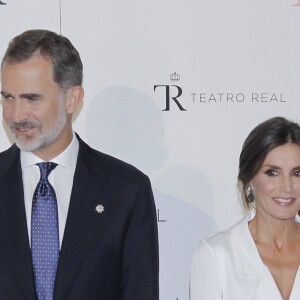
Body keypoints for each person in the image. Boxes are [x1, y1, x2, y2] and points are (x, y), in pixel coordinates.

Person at [0, 29, 159, 300]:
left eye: (31, 98)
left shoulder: (127, 190)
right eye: (7, 97)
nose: (16, 114)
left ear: (71, 99)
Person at [190, 117, 300, 300]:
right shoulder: (217, 254)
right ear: (249, 179)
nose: (287, 187)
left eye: (297, 173)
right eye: (272, 173)